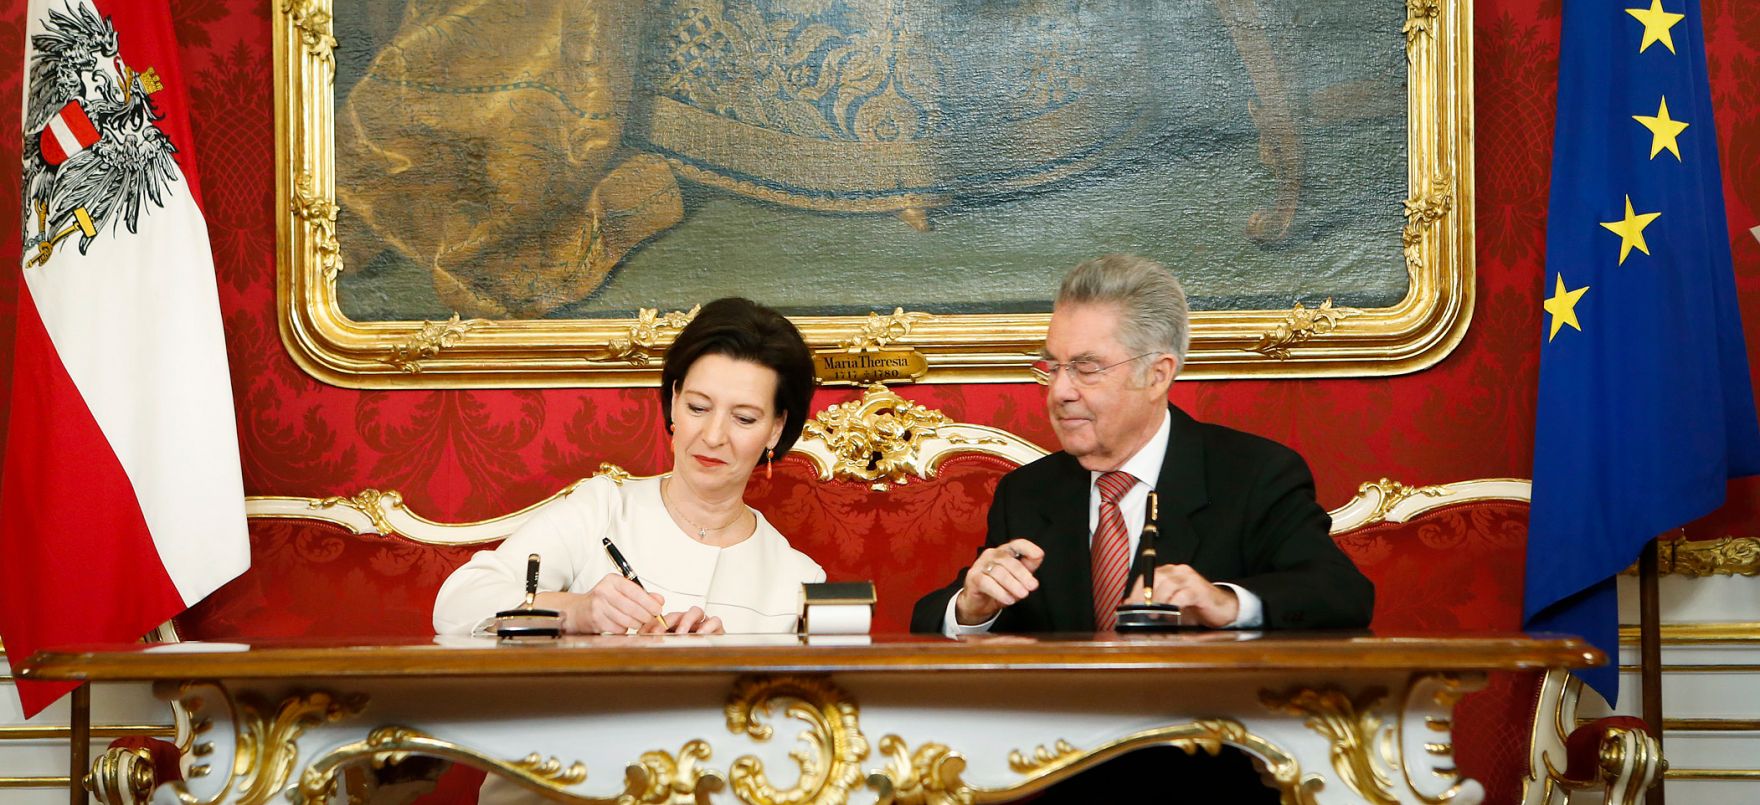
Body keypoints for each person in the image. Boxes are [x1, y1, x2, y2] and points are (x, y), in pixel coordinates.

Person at [911, 254, 1373, 636]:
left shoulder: (1254, 475)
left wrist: (1225, 603)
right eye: (1052, 367)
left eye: (1086, 368)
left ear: (1157, 375)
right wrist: (973, 608)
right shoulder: (1028, 493)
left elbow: (1340, 592)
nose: (1060, 391)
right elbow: (933, 619)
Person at [434, 297, 825, 636]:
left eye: (743, 418)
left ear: (776, 428)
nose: (713, 436)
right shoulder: (602, 509)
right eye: (698, 408)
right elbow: (457, 605)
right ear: (674, 401)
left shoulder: (798, 580)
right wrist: (576, 612)